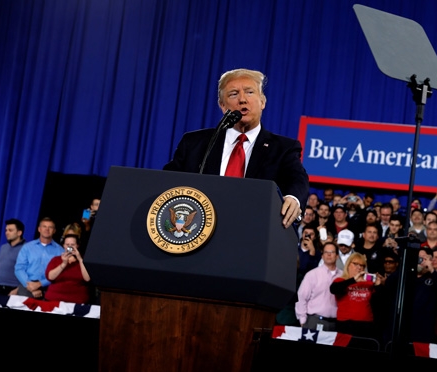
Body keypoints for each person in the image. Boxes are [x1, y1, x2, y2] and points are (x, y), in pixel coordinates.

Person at [164, 68, 309, 227]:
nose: (242, 100)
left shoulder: (283, 148)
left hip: (254, 231)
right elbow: (167, 181)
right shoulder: (195, 143)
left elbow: (297, 179)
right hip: (198, 230)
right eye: (233, 94)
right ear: (223, 106)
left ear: (262, 102)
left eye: (249, 92)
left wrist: (293, 198)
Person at [330, 253, 383, 338]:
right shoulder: (340, 280)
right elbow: (334, 289)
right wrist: (354, 280)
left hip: (366, 324)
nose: (359, 267)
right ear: (348, 265)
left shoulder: (369, 283)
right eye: (355, 264)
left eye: (362, 265)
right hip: (346, 324)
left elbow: (380, 302)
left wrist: (378, 286)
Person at [295, 241, 342, 331]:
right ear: (322, 256)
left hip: (336, 323)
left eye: (332, 252)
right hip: (314, 321)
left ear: (337, 256)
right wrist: (302, 320)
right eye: (326, 252)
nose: (329, 255)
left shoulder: (343, 276)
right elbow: (301, 297)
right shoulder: (312, 274)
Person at [14, 218, 64, 299]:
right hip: (27, 285)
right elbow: (19, 269)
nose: (47, 229)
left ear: (54, 231)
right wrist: (29, 286)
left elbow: (60, 274)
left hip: (49, 288)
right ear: (39, 229)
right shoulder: (27, 247)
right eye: (44, 226)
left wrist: (41, 283)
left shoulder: (60, 251)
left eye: (50, 227)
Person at [44, 234, 91, 304]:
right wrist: (64, 263)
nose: (70, 247)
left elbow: (87, 278)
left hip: (77, 300)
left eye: (72, 244)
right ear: (64, 245)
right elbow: (50, 277)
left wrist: (80, 259)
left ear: (77, 245)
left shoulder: (84, 260)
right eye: (67, 244)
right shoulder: (56, 260)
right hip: (54, 299)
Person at [0, 219, 25, 295]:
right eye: (6, 230)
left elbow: (30, 273)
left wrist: (18, 289)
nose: (7, 233)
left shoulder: (26, 249)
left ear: (19, 232)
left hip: (13, 289)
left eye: (10, 230)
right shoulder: (3, 247)